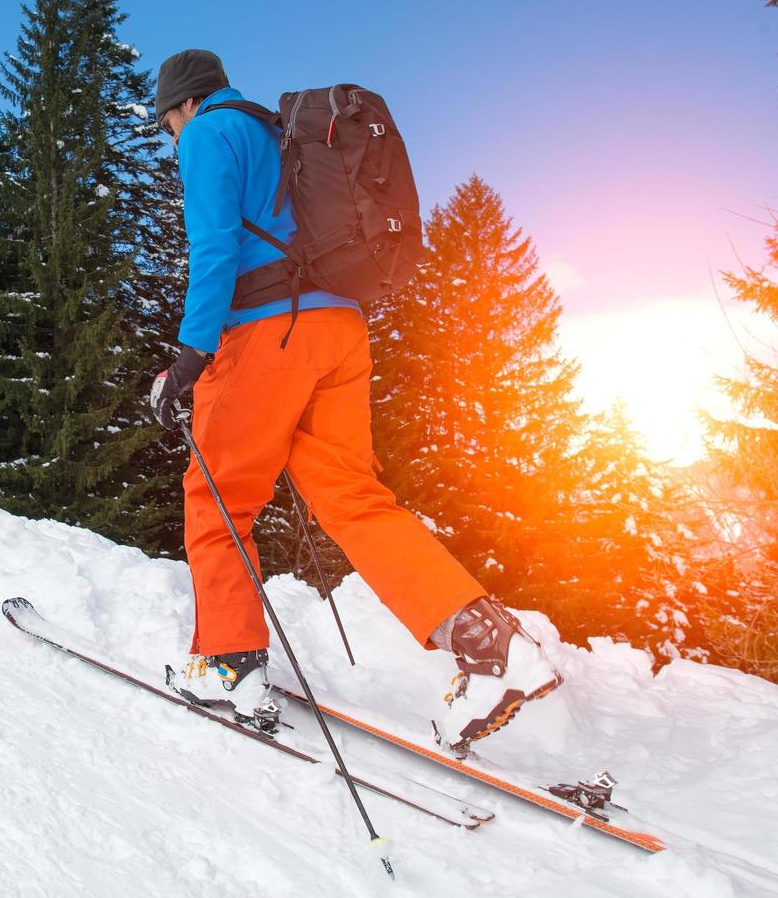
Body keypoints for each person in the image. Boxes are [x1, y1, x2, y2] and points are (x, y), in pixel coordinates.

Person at [149, 49, 562, 750]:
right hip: (339, 329)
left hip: (265, 331)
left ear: (181, 104)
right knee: (351, 494)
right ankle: (487, 642)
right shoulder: (282, 134)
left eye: (166, 124)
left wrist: (191, 354)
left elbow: (214, 243)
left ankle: (226, 663)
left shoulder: (209, 134)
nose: (169, 136)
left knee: (219, 496)